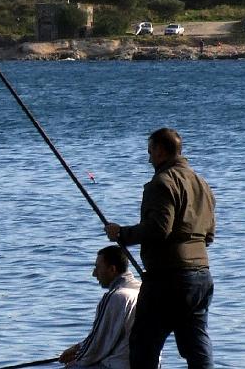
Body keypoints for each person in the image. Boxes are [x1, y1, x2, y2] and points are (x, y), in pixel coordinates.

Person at [105, 128, 216, 369]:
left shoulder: (161, 182)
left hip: (167, 279)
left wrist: (121, 233)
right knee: (197, 345)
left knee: (144, 344)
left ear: (161, 151)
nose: (148, 158)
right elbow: (209, 234)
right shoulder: (201, 183)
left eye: (150, 152)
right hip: (201, 277)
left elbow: (158, 229)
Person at [58, 246, 141, 369]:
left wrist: (77, 357)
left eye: (97, 267)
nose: (93, 274)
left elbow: (96, 344)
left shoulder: (116, 296)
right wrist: (79, 348)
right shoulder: (142, 289)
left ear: (112, 269)